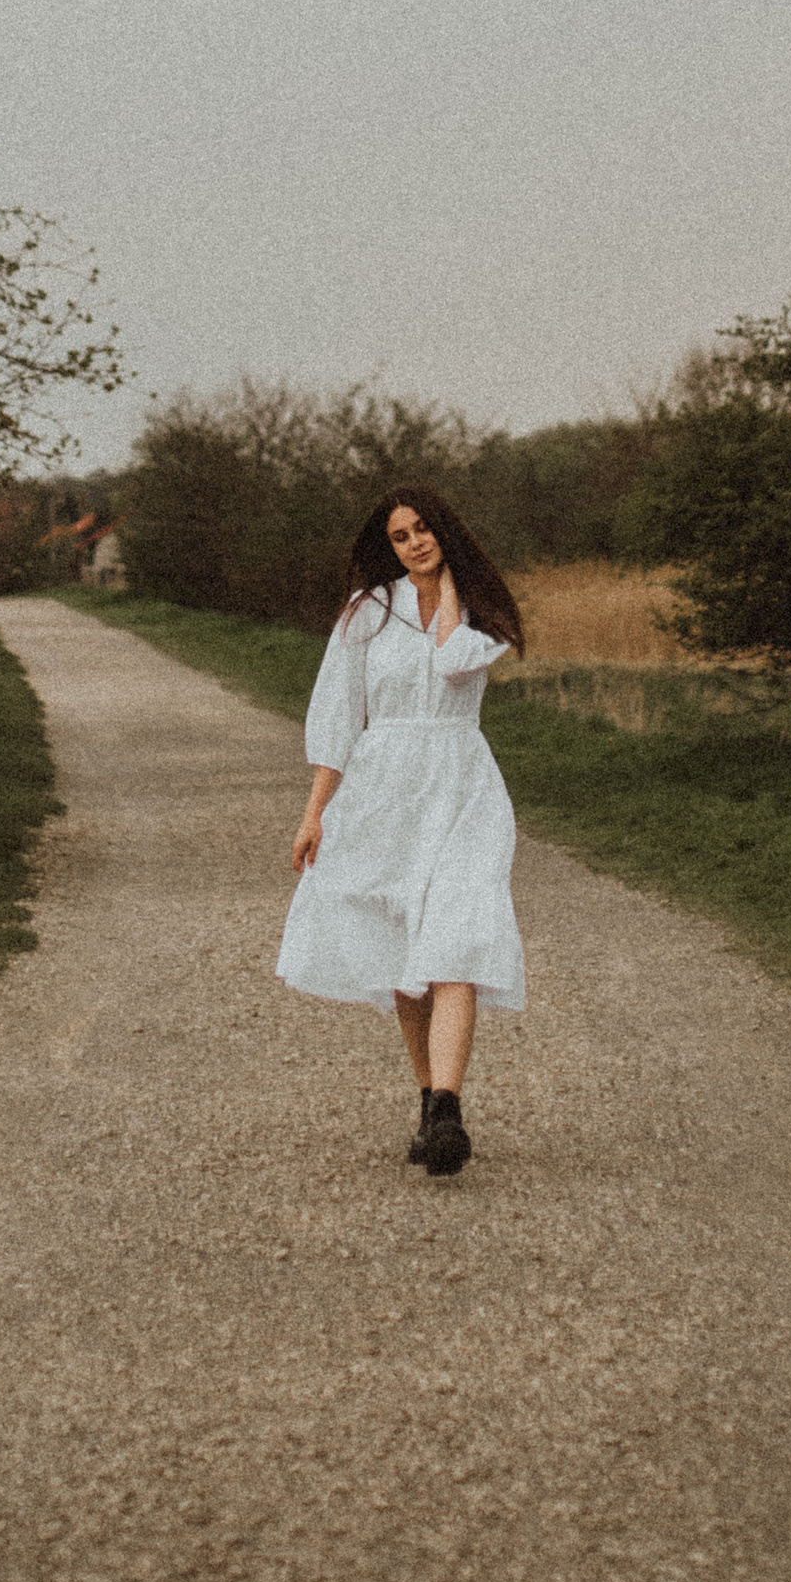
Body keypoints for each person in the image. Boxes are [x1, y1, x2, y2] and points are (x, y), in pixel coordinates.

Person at [275, 486, 527, 1176]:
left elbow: (450, 662)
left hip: (460, 788)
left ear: (445, 532)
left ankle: (448, 1109)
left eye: (424, 530)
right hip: (383, 791)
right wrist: (314, 811)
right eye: (400, 536)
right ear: (387, 547)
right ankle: (430, 1104)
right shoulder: (366, 612)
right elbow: (337, 713)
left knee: (458, 937)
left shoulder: (484, 611)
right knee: (404, 963)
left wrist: (450, 586)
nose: (415, 543)